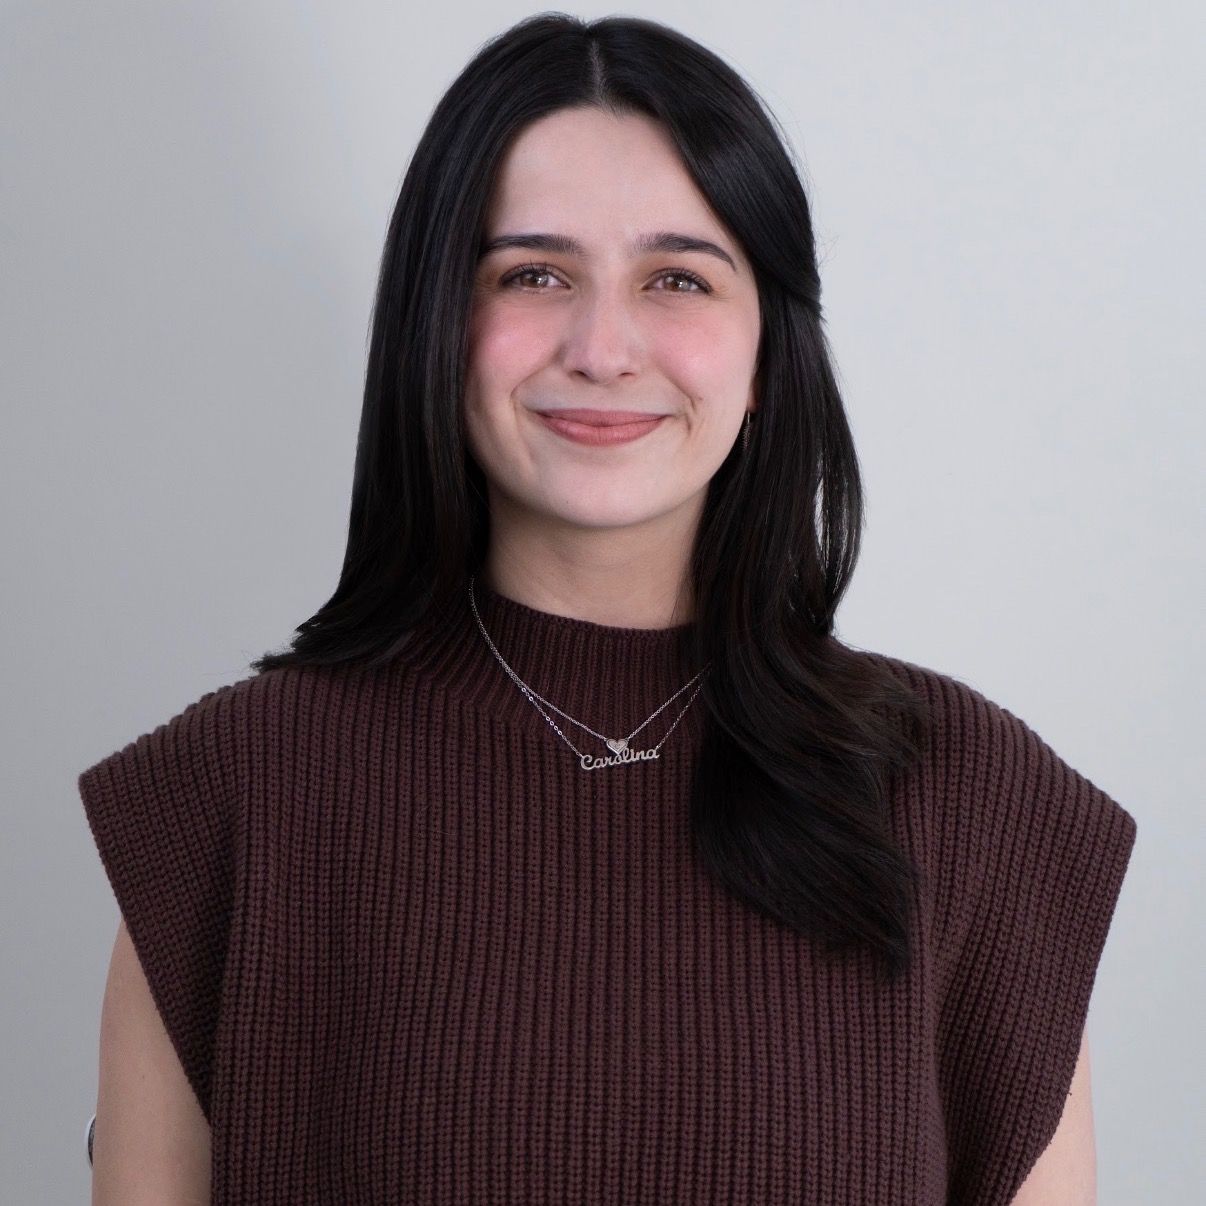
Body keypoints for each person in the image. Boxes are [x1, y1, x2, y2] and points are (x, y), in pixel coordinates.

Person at [79, 13, 1137, 1205]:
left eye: (677, 278)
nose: (603, 346)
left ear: (768, 351)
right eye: (534, 274)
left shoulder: (975, 804)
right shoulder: (232, 799)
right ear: (440, 323)